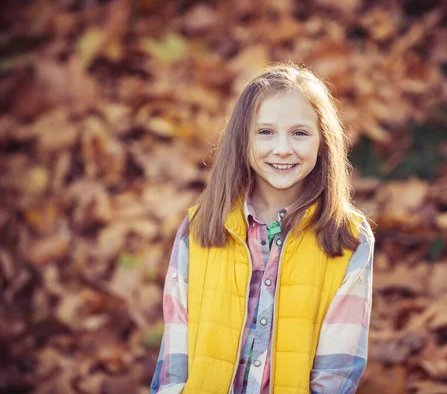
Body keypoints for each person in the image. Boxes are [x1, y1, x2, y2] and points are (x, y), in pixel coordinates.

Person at [150, 63, 374, 394]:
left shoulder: (348, 237)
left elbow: (337, 369)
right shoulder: (199, 227)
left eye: (300, 133)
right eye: (265, 132)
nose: (282, 148)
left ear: (323, 141)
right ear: (243, 139)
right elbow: (175, 355)